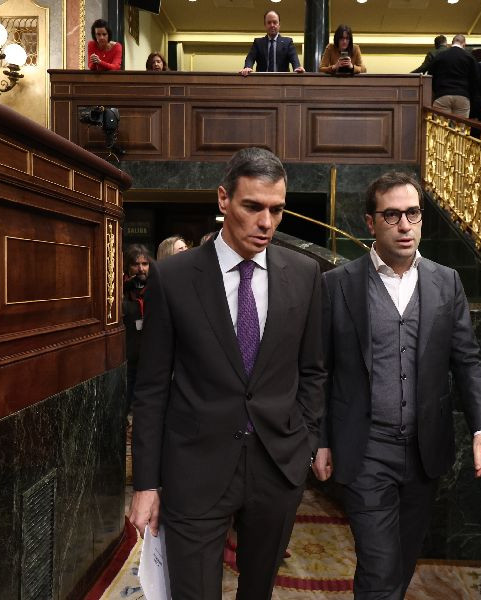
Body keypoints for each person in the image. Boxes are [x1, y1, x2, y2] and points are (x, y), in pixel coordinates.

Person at [128, 147, 326, 599]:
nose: (266, 223)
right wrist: (146, 483)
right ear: (223, 199)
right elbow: (152, 387)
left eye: (276, 209)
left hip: (278, 467)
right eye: (253, 206)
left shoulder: (304, 274)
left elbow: (313, 370)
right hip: (194, 470)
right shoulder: (172, 277)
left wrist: (303, 443)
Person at [314, 172, 481, 598]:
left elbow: (468, 360)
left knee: (400, 564)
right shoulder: (338, 284)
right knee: (379, 566)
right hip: (365, 450)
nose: (404, 225)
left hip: (424, 449)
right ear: (370, 222)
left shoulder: (446, 282)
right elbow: (321, 369)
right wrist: (319, 440)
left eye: (413, 214)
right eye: (392, 215)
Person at [122, 245, 151, 405]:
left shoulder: (156, 286)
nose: (141, 269)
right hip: (128, 354)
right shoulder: (120, 288)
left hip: (150, 353)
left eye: (145, 264)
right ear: (127, 266)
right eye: (135, 264)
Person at [429, 34, 481, 118]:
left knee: (441, 125)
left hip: (442, 94)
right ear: (464, 44)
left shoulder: (440, 56)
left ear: (452, 43)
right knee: (460, 126)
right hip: (462, 96)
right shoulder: (469, 58)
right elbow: (475, 80)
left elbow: (431, 76)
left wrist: (437, 91)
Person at [240, 10, 304, 76]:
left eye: (275, 22)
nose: (272, 25)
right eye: (269, 22)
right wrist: (247, 67)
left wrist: (297, 67)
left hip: (282, 80)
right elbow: (250, 58)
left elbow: (294, 58)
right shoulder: (258, 43)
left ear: (279, 25)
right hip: (262, 80)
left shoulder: (287, 42)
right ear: (265, 25)